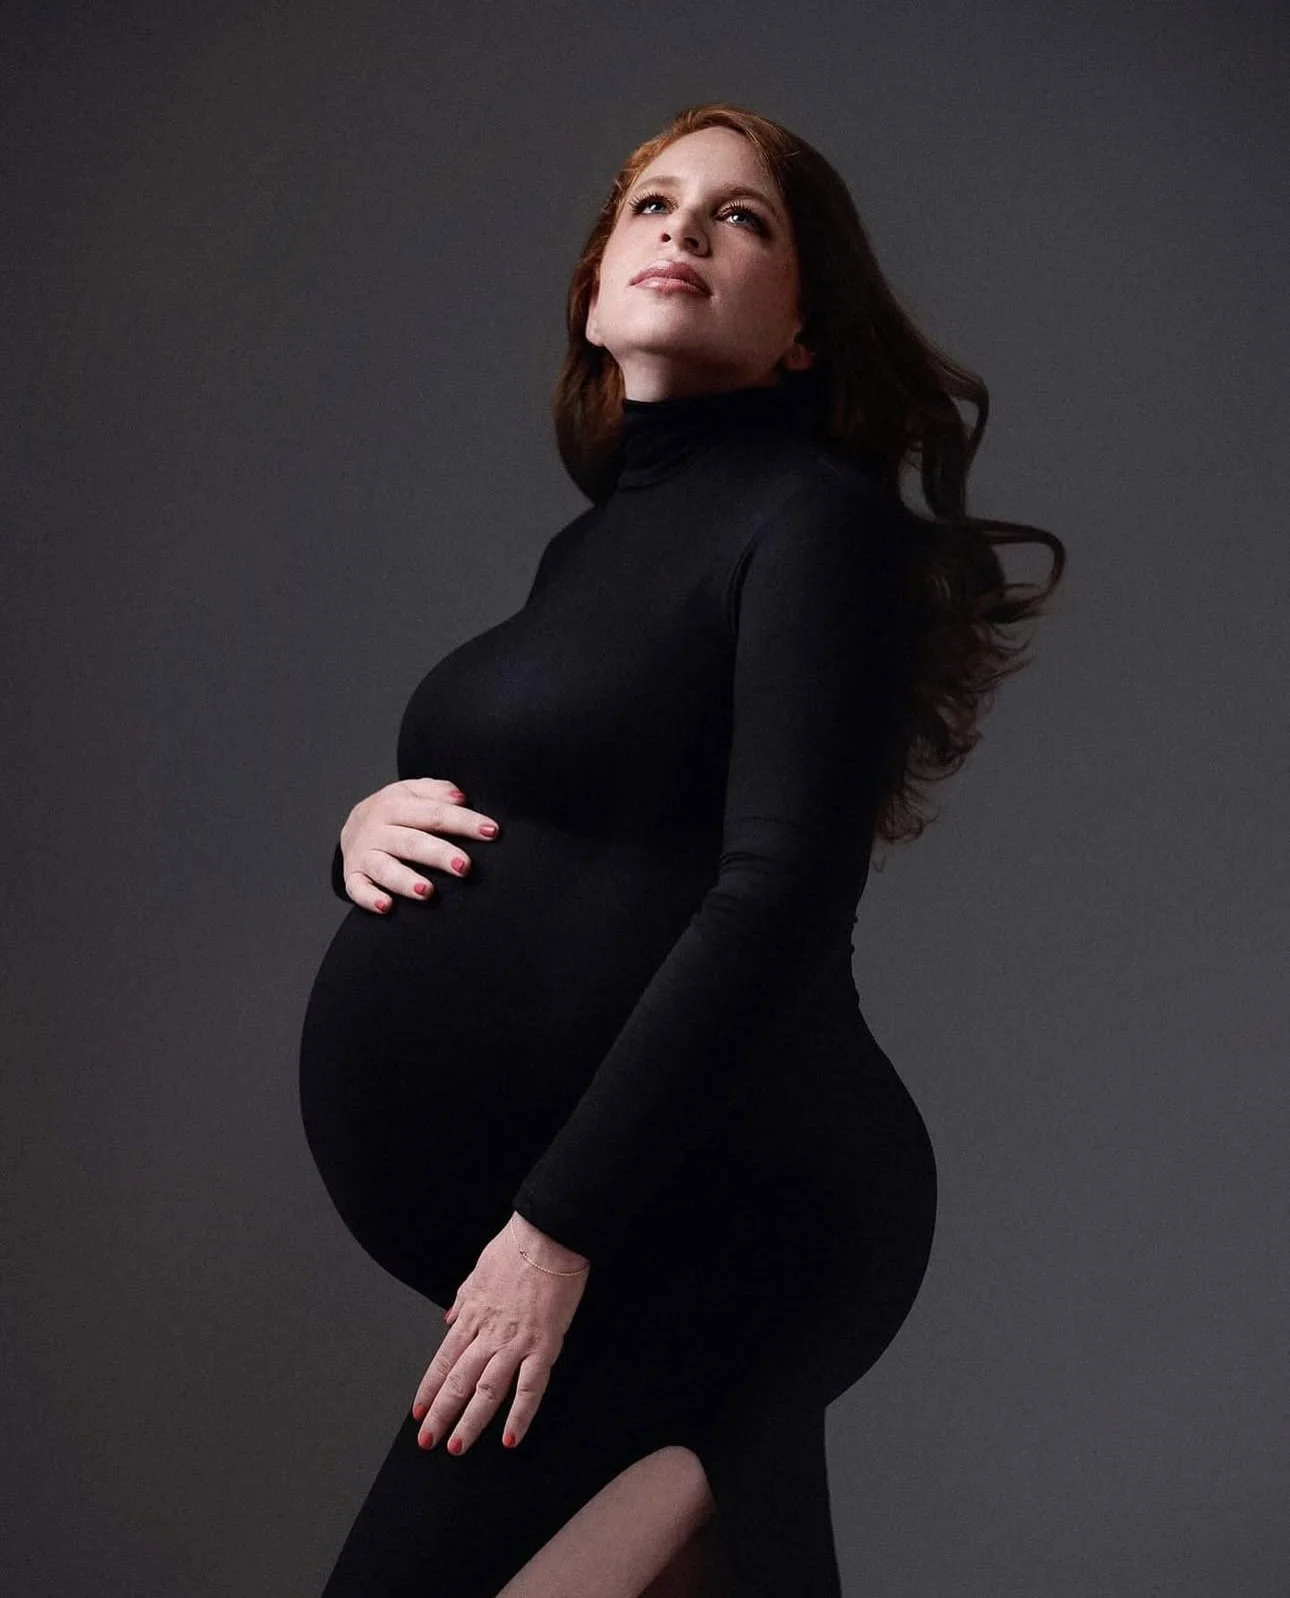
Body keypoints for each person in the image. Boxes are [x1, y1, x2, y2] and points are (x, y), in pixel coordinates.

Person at [297, 100, 1066, 1597]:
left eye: (741, 218)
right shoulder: (586, 552)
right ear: (594, 294)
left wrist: (552, 1228)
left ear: (800, 332)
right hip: (629, 1226)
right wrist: (357, 834)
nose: (683, 232)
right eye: (651, 205)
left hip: (717, 1213)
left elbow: (777, 894)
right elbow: (564, 819)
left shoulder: (812, 524)